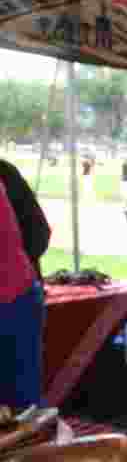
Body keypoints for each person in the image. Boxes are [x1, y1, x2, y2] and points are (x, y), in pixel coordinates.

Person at [0, 160, 50, 409]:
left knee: (23, 408)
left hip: (13, 299)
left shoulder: (4, 173)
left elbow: (39, 233)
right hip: (18, 294)